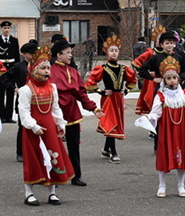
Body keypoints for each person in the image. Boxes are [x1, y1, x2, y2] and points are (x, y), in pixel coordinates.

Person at [135, 56, 185, 198]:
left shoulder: (183, 95)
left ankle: (181, 185)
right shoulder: (161, 96)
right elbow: (155, 113)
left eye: (174, 77)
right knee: (165, 155)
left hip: (181, 130)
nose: (172, 80)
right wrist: (147, 117)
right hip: (167, 130)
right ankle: (162, 185)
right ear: (164, 80)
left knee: (182, 156)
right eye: (169, 78)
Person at [18, 45, 75, 206]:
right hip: (33, 130)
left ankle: (52, 192)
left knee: (54, 156)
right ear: (34, 70)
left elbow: (56, 108)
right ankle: (29, 193)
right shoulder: (26, 90)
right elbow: (24, 112)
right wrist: (33, 126)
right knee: (33, 159)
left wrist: (60, 123)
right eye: (42, 68)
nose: (46, 71)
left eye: (48, 68)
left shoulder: (52, 88)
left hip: (49, 128)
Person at [50, 38, 103, 187]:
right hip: (56, 112)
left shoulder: (73, 71)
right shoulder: (51, 71)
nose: (70, 55)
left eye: (70, 53)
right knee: (54, 146)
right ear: (58, 55)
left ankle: (76, 175)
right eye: (67, 53)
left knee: (74, 146)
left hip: (72, 112)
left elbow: (81, 94)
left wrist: (94, 108)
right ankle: (55, 175)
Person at [85, 35, 137, 164]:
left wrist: (126, 91)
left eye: (116, 50)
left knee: (114, 123)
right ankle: (113, 152)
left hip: (118, 98)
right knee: (110, 122)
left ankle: (106, 149)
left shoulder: (123, 68)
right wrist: (100, 91)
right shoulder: (102, 68)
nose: (114, 53)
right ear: (107, 52)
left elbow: (132, 81)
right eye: (111, 50)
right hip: (108, 99)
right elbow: (90, 82)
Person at [1, 40, 38, 162]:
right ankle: (20, 152)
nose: (33, 56)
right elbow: (5, 78)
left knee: (37, 126)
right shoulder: (18, 67)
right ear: (24, 54)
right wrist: (15, 88)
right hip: (23, 99)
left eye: (35, 53)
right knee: (23, 127)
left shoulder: (38, 65)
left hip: (37, 99)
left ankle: (35, 150)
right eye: (31, 53)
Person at [132, 25, 166, 116]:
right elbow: (136, 62)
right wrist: (146, 73)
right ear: (155, 41)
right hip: (152, 80)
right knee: (151, 98)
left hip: (166, 79)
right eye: (159, 40)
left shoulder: (169, 53)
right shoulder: (151, 52)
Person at [0, 21, 20, 123]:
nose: (6, 30)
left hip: (11, 69)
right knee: (1, 93)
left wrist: (17, 69)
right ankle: (1, 116)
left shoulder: (14, 40)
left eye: (8, 28)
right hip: (1, 69)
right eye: (4, 28)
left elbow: (17, 55)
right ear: (1, 29)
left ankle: (9, 116)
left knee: (10, 93)